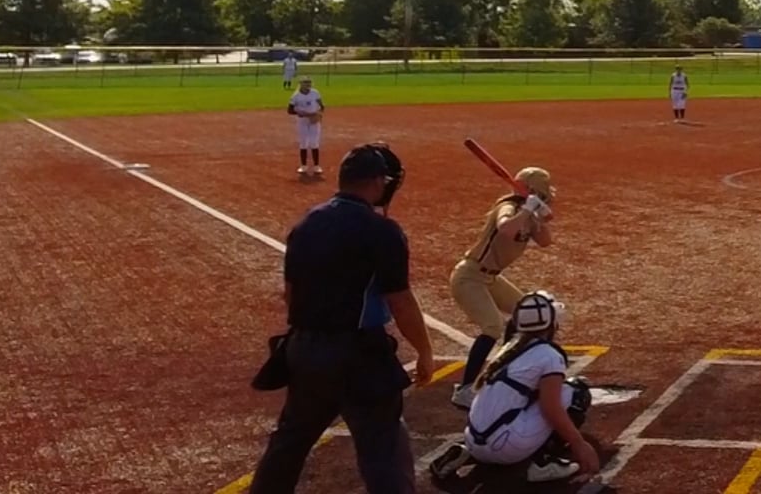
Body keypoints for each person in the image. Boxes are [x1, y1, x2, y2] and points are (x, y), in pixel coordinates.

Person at [249, 143, 434, 494]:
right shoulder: (383, 231)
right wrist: (424, 351)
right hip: (360, 356)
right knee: (383, 449)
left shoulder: (306, 223)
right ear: (378, 182)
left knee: (289, 443)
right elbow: (400, 301)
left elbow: (290, 294)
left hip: (304, 349)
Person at [435, 291, 599, 484]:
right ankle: (539, 461)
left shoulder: (508, 348)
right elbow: (551, 408)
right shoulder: (549, 355)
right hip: (508, 446)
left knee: (518, 399)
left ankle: (468, 452)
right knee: (575, 392)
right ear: (551, 324)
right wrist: (579, 443)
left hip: (473, 440)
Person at [450, 166, 557, 409]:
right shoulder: (508, 207)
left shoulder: (528, 214)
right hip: (470, 276)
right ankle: (464, 389)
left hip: (491, 278)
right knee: (493, 327)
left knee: (523, 313)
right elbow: (506, 228)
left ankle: (503, 368)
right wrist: (528, 209)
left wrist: (538, 218)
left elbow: (545, 241)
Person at [288, 76, 325, 179]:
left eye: (309, 82)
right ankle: (303, 166)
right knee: (303, 142)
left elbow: (322, 106)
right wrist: (301, 113)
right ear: (301, 84)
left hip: (314, 120)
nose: (308, 85)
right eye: (305, 82)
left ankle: (316, 166)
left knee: (314, 142)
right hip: (302, 121)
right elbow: (290, 110)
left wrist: (319, 115)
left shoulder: (315, 93)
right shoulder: (296, 96)